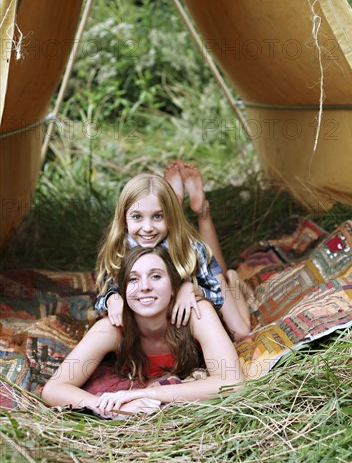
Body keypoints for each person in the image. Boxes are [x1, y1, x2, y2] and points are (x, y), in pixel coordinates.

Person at [41, 246, 243, 418]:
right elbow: (54, 389)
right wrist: (111, 407)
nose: (145, 287)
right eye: (133, 279)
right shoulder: (111, 329)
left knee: (241, 329)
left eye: (156, 276)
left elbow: (233, 383)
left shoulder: (197, 314)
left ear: (174, 286)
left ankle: (234, 282)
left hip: (221, 317)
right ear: (122, 291)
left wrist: (148, 395)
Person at [95, 164, 250, 342]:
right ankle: (174, 200)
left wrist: (191, 288)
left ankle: (232, 279)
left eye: (157, 216)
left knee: (240, 333)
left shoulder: (192, 248)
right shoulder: (119, 249)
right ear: (123, 219)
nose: (147, 228)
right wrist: (111, 299)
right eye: (137, 217)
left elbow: (213, 291)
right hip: (174, 242)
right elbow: (101, 298)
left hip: (202, 272)